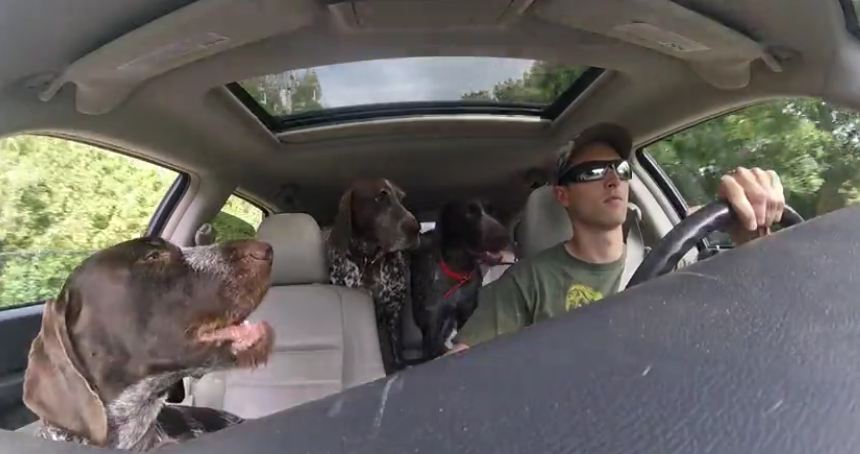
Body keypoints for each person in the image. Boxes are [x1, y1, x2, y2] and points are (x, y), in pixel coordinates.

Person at [451, 122, 785, 351]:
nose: (613, 180)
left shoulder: (677, 262)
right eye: (594, 172)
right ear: (562, 196)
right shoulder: (526, 282)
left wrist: (752, 238)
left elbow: (753, 323)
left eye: (620, 169)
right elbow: (457, 373)